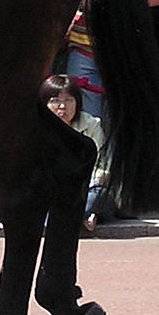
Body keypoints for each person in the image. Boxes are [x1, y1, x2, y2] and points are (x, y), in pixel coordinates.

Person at [41, 75, 114, 233]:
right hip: (51, 190)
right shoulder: (37, 127)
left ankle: (70, 218)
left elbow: (102, 165)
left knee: (98, 195)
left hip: (86, 188)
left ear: (77, 103)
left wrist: (83, 185)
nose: (62, 106)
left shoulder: (91, 125)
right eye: (55, 100)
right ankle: (85, 217)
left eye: (69, 100)